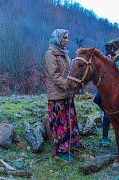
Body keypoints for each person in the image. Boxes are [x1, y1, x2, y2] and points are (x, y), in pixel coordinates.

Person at [43, 29, 81, 161]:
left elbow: (70, 72)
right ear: (57, 38)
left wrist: (75, 82)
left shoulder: (65, 53)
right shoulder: (50, 54)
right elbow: (54, 75)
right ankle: (60, 151)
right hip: (57, 95)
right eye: (64, 37)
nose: (67, 40)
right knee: (60, 124)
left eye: (67, 37)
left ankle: (71, 145)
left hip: (67, 94)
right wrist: (67, 84)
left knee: (70, 121)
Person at [93, 55, 119, 146]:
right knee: (107, 115)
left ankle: (118, 136)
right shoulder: (109, 60)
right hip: (104, 95)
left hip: (116, 94)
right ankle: (105, 137)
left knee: (113, 115)